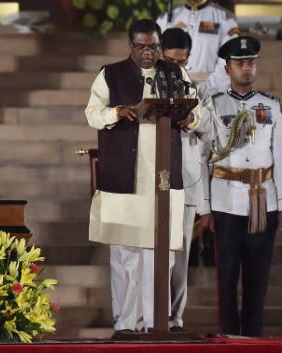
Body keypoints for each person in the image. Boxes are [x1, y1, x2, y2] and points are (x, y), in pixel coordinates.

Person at [85, 19, 201, 336]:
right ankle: (126, 323)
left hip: (162, 177)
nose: (147, 53)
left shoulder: (175, 73)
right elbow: (92, 113)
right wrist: (117, 112)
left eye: (152, 46)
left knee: (159, 252)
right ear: (130, 45)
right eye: (141, 46)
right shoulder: (110, 74)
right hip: (125, 177)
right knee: (125, 253)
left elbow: (197, 109)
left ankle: (155, 321)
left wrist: (190, 117)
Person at [210, 36, 282, 336]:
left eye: (251, 62)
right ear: (227, 68)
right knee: (227, 278)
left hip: (262, 202)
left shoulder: (270, 106)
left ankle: (254, 338)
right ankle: (230, 337)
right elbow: (206, 157)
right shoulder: (215, 106)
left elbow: (279, 156)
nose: (247, 68)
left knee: (258, 278)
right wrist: (205, 208)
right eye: (240, 63)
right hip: (226, 202)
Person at [161, 27, 215, 331]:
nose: (176, 68)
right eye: (170, 61)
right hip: (154, 179)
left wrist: (192, 119)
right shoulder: (148, 85)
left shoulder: (199, 88)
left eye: (182, 62)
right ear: (160, 56)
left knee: (180, 252)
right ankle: (150, 313)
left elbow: (211, 126)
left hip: (188, 179)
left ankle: (175, 316)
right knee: (157, 253)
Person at [156, 0, 240, 94]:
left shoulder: (224, 18)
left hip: (210, 92)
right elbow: (157, 59)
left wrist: (204, 90)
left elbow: (228, 60)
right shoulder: (164, 19)